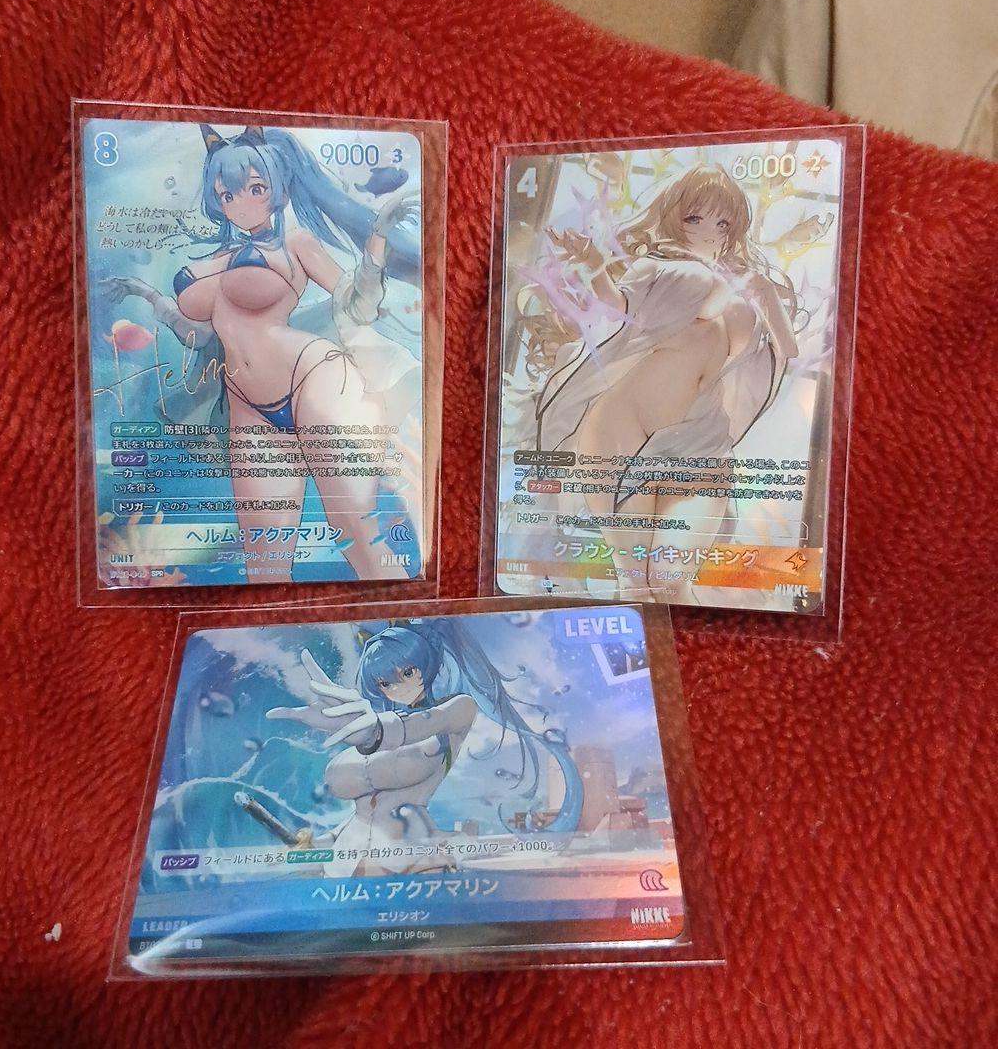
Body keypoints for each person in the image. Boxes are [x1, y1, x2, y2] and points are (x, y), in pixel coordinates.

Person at [101, 124, 422, 579]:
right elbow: (197, 334)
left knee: (355, 529)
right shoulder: (212, 258)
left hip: (315, 380)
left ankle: (402, 614)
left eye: (256, 188)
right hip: (249, 407)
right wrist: (145, 292)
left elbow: (356, 306)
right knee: (263, 559)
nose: (241, 203)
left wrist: (377, 243)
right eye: (227, 194)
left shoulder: (296, 244)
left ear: (278, 188)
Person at [520, 163, 802, 601]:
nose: (708, 232)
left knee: (671, 581)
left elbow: (787, 353)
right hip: (622, 433)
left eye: (722, 223)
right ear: (673, 218)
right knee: (636, 584)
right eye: (695, 218)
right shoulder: (658, 270)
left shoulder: (745, 295)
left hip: (700, 443)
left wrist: (765, 295)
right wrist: (594, 264)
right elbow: (618, 306)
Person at [266, 621, 583, 876]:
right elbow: (363, 814)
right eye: (385, 683)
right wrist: (317, 845)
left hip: (408, 859)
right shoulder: (379, 723)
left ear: (425, 666)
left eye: (407, 673)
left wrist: (375, 732)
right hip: (348, 865)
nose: (399, 686)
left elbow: (423, 723)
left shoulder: (456, 710)